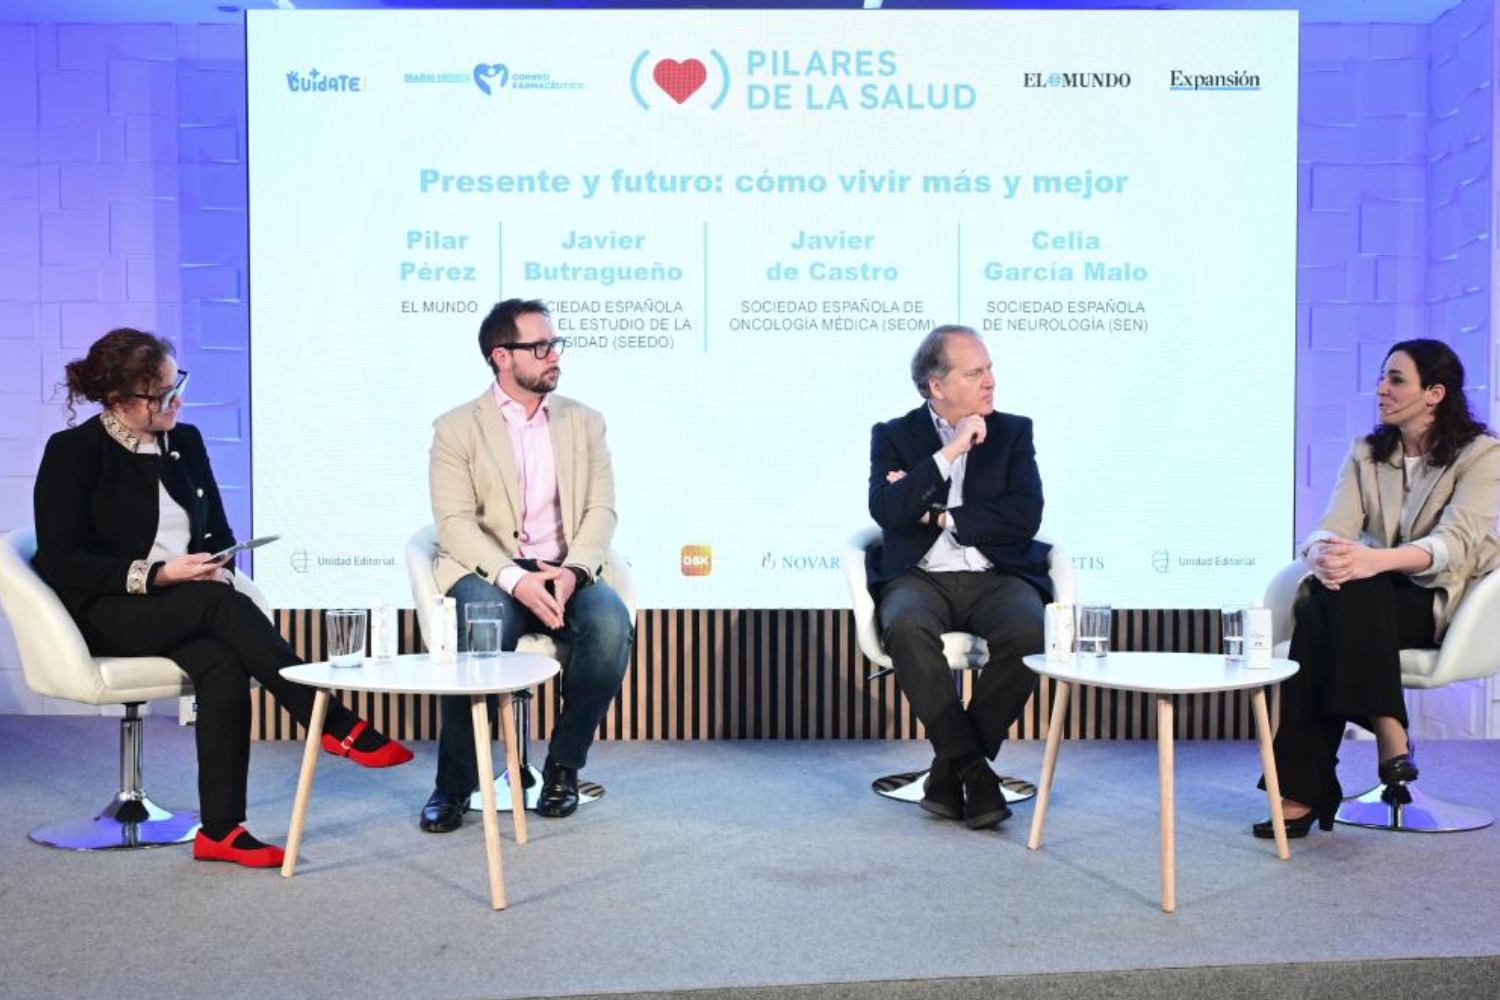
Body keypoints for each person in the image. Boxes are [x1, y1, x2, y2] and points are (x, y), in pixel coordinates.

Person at [34, 329, 411, 869]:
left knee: (222, 664)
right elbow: (60, 560)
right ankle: (331, 723)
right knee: (222, 607)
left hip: (182, 605)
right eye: (162, 395)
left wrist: (216, 565)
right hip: (108, 610)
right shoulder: (73, 452)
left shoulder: (184, 441)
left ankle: (221, 830)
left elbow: (216, 532)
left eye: (177, 386)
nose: (176, 402)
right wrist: (161, 574)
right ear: (118, 399)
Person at [1257, 338, 1500, 838]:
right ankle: (1390, 730)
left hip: (1438, 600)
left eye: (1396, 379)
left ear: (1434, 393)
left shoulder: (1482, 455)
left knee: (1333, 602)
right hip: (1369, 601)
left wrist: (1370, 561)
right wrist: (1321, 552)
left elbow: (1452, 545)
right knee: (1335, 597)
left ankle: (1303, 790)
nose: (1381, 389)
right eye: (1381, 377)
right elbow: (1333, 526)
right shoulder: (1367, 453)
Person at [419, 299, 631, 831]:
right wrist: (514, 579)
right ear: (502, 356)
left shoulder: (586, 422)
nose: (553, 355)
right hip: (491, 570)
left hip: (565, 568)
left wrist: (573, 573)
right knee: (479, 629)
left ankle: (562, 768)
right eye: (539, 347)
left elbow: (601, 510)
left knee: (610, 625)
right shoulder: (456, 428)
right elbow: (454, 524)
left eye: (554, 344)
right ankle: (454, 783)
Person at [867, 325, 1051, 829]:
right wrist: (948, 454)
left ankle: (949, 771)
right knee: (905, 626)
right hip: (920, 578)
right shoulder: (894, 435)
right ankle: (975, 770)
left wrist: (940, 516)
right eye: (975, 373)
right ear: (937, 386)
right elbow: (888, 510)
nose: (990, 381)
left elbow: (1024, 516)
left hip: (996, 576)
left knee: (1030, 632)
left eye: (989, 369)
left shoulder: (1013, 432)